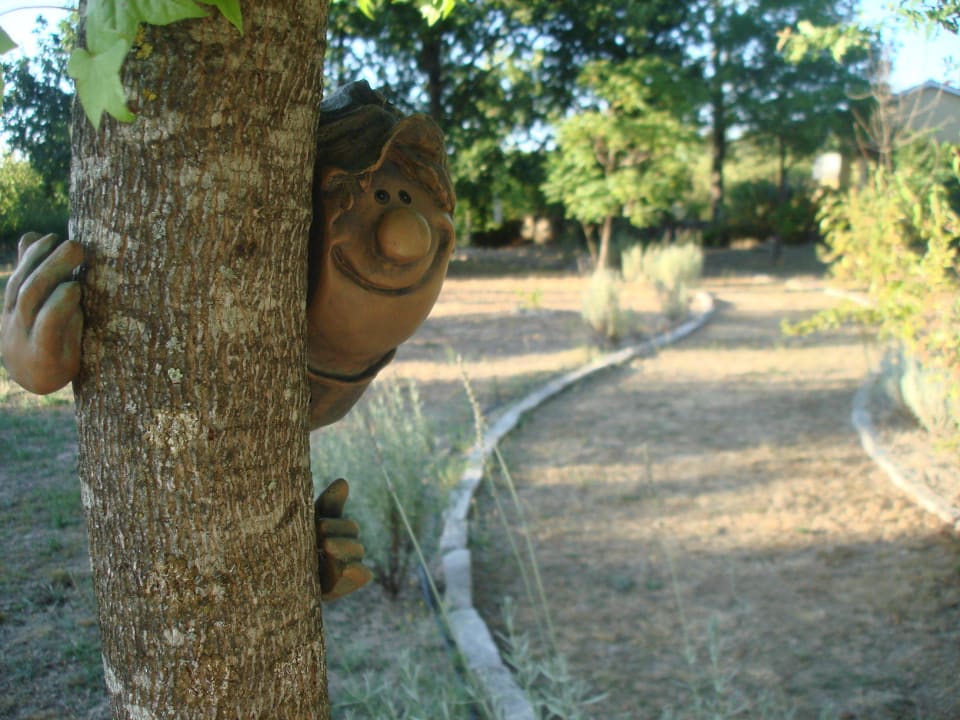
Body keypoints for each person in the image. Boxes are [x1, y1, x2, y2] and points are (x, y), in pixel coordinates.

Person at [0, 82, 456, 600]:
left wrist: (302, 560)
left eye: (403, 197)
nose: (404, 231)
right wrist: (32, 360)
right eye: (377, 195)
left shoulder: (330, 375)